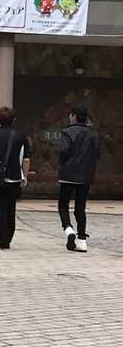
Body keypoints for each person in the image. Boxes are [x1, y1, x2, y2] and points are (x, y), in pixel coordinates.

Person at [0, 106, 31, 250]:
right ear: (14, 120)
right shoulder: (21, 137)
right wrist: (24, 176)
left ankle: (2, 239)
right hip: (15, 177)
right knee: (11, 207)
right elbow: (26, 159)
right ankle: (9, 235)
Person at [58, 105, 100, 252]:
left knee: (63, 205)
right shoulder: (94, 135)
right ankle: (82, 240)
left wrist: (63, 165)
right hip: (85, 175)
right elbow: (97, 154)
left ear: (74, 116)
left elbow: (64, 152)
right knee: (80, 207)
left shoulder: (67, 132)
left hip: (68, 174)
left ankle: (68, 229)